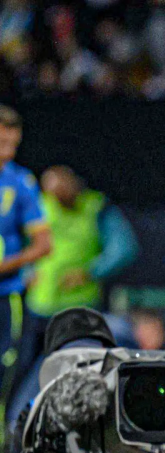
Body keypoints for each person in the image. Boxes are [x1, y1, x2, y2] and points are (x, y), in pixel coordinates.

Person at [9, 164, 138, 432]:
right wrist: (25, 273)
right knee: (27, 374)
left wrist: (92, 271)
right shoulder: (39, 206)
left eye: (62, 192)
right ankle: (20, 428)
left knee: (77, 373)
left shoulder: (96, 208)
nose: (57, 199)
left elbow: (124, 247)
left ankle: (80, 430)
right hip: (39, 309)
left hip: (79, 312)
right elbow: (16, 242)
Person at [0, 106, 51, 428]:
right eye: (2, 143)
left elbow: (44, 245)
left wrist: (7, 266)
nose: (8, 152)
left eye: (13, 144)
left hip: (6, 296)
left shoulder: (19, 183)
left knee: (4, 374)